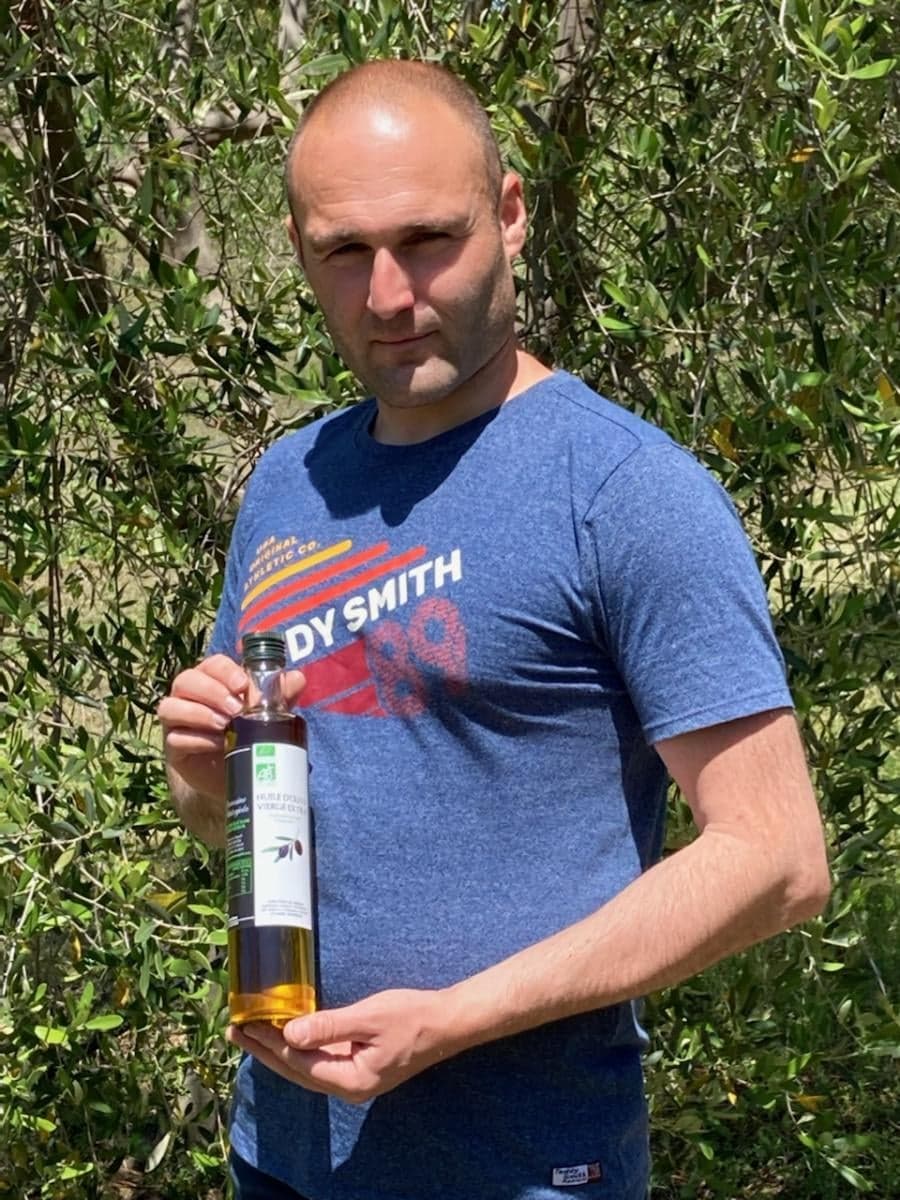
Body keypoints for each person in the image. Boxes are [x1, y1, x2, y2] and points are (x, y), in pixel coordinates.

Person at [157, 59, 830, 1200]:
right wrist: (200, 770)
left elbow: (777, 860)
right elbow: (244, 828)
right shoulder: (289, 483)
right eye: (344, 251)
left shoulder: (621, 492)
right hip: (282, 1151)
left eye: (428, 239)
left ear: (510, 216)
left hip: (524, 1165)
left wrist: (454, 1019)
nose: (388, 294)